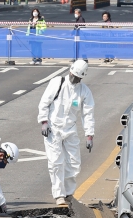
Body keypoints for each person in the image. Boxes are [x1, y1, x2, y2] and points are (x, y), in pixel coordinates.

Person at [38, 58, 94, 207]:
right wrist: (44, 121)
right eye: (72, 74)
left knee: (74, 163)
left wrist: (89, 134)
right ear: (70, 70)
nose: (73, 78)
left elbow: (87, 114)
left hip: (70, 129)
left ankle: (69, 194)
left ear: (81, 77)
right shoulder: (57, 83)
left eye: (77, 77)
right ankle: (59, 195)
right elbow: (44, 102)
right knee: (56, 162)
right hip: (53, 129)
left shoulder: (84, 91)